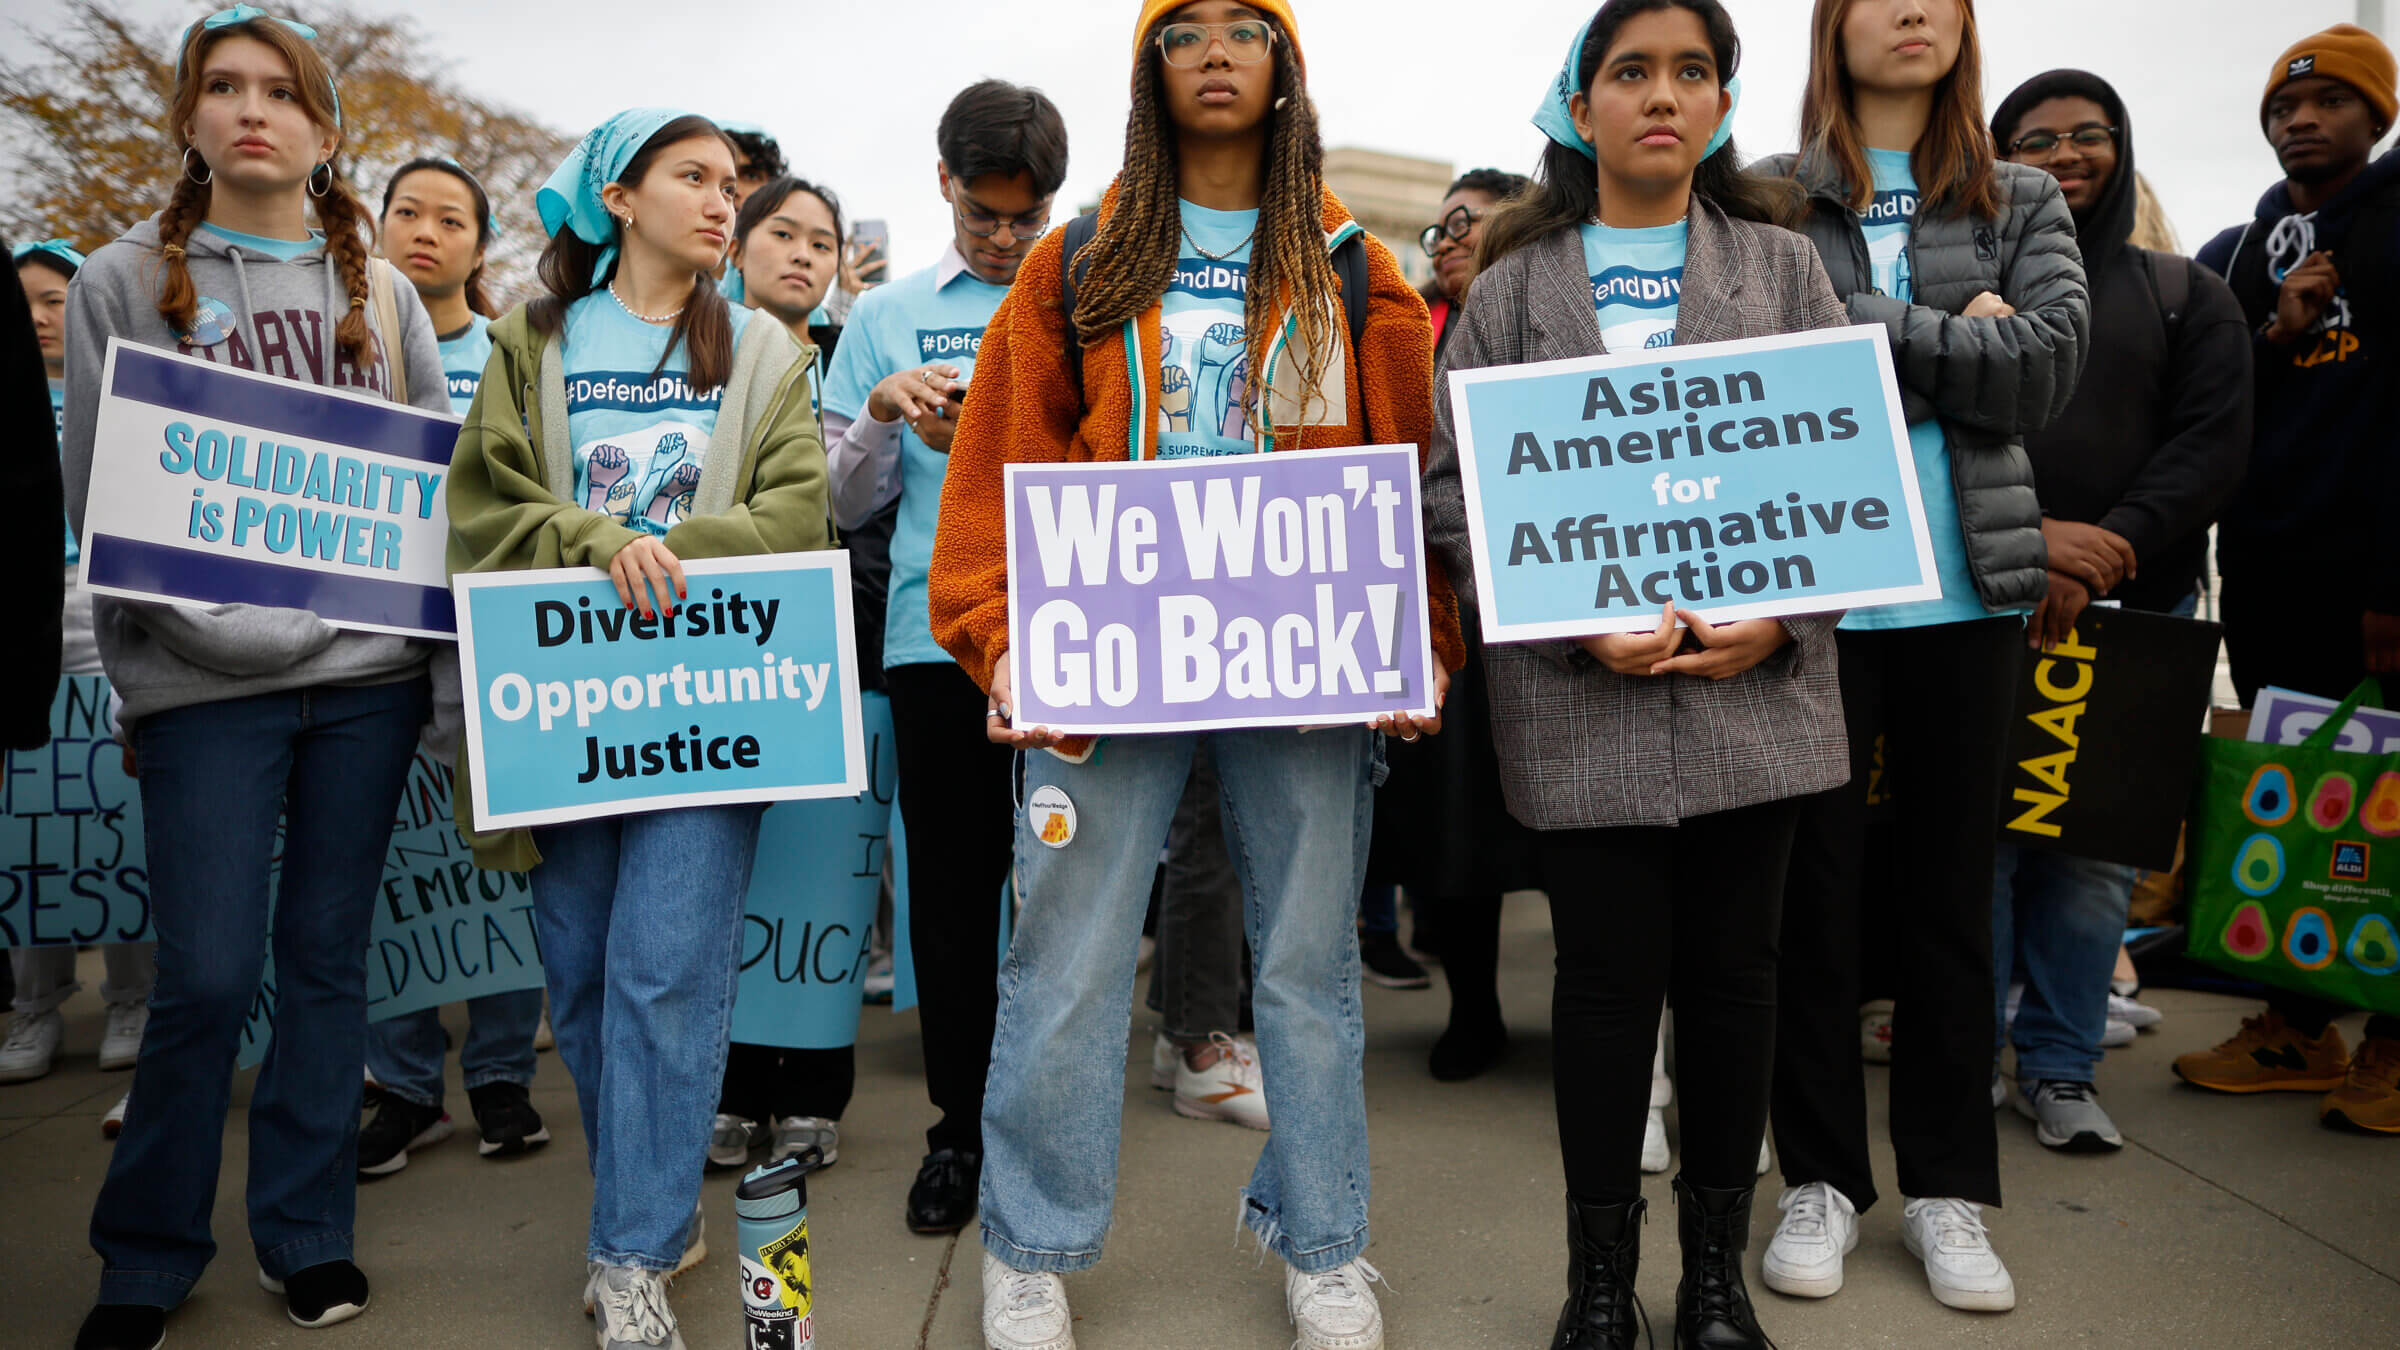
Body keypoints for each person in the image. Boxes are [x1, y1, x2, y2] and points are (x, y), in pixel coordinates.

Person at [926, 2, 1462, 1345]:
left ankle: (1325, 1238)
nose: (1215, 51)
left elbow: (1416, 474)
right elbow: (1001, 465)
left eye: (1245, 27)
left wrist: (1424, 643)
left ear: (1285, 67)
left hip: (1307, 660)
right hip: (1105, 657)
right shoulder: (1081, 259)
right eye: (1184, 32)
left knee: (1303, 962)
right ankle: (1033, 1243)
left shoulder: (1354, 266)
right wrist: (1004, 641)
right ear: (1147, 72)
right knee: (1067, 953)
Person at [1429, 4, 1845, 1346]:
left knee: (1737, 982)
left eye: (1691, 72)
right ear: (1581, 103)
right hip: (1578, 702)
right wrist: (1563, 619)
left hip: (1754, 704)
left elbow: (1847, 473)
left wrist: (1784, 619)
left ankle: (1714, 1280)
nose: (1660, 95)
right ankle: (1598, 1281)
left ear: (1723, 103)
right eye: (1629, 72)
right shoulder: (1505, 293)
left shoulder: (1785, 271)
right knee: (1605, 988)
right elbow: (1453, 497)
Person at [60, 11, 453, 1346]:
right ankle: (147, 1250)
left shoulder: (383, 293)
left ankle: (306, 1234)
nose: (249, 110)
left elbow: (430, 490)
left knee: (327, 963)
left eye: (279, 92)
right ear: (187, 117)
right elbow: (102, 501)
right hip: (198, 685)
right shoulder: (119, 281)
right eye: (221, 87)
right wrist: (211, 642)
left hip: (368, 682)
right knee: (211, 975)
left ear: (325, 129)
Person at [443, 108, 832, 1350]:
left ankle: (627, 1260)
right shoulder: (531, 340)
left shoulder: (770, 354)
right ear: (617, 196)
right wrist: (602, 541)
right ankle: (658, 1214)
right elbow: (485, 507)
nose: (725, 202)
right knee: (588, 981)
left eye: (733, 183)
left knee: (667, 972)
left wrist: (667, 550)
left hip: (709, 716)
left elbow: (797, 518)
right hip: (565, 717)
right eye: (693, 178)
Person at [1758, 0, 2088, 1316]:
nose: (1913, 9)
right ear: (1832, 26)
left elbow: (2045, 374)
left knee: (1956, 899)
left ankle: (1952, 1185)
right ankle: (1819, 1178)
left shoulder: (2018, 192)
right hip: (1817, 599)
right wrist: (1964, 335)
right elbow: (1761, 366)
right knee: (1807, 902)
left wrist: (1861, 323)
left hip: (1970, 594)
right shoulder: (1768, 195)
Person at [1985, 69, 2252, 1153]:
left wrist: (2107, 551)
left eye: (2089, 136)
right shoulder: (1966, 296)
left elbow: (2214, 446)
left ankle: (2055, 1066)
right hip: (1985, 599)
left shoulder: (2186, 292)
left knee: (2092, 858)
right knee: (1978, 851)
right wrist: (2031, 536)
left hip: (2136, 613)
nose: (2066, 156)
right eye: (2035, 140)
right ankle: (1961, 1060)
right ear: (1995, 159)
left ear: (2122, 147)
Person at [820, 77, 1068, 1237]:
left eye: (1030, 215)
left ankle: (1056, 1121)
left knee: (1077, 892)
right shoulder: (887, 313)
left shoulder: (1091, 300)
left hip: (1082, 632)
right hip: (939, 641)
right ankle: (959, 1128)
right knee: (956, 903)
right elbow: (841, 496)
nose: (1010, 237)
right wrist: (880, 412)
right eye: (986, 214)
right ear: (943, 186)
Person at [2183, 22, 2400, 1134]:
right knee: (2299, 800)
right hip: (2272, 568)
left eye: (2326, 104)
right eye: (2281, 108)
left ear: (2379, 115)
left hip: (2376, 581)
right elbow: (2231, 405)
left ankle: (2396, 1048)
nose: (2298, 121)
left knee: (2395, 809)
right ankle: (2298, 1028)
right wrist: (2280, 328)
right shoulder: (2256, 239)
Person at [355, 156, 550, 1175]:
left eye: (452, 219)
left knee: (501, 853)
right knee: (402, 863)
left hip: (491, 644)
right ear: (377, 226)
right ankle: (403, 1085)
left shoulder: (518, 352)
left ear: (481, 247)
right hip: (375, 649)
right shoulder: (341, 350)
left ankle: (502, 1075)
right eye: (406, 212)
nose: (425, 231)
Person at [1382, 164, 1540, 1081]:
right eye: (1435, 229)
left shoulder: (1559, 323)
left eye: (1464, 224)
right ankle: (1474, 1012)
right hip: (1455, 616)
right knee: (1460, 827)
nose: (1442, 241)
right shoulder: (1413, 342)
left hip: (1555, 621)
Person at [710, 174, 855, 1173]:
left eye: (822, 243)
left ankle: (810, 1094)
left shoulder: (848, 363)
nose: (803, 254)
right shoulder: (695, 354)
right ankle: (725, 1089)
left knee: (818, 875)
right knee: (723, 870)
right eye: (782, 234)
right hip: (713, 650)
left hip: (831, 645)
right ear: (736, 248)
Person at [3, 239, 153, 1115]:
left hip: (99, 604)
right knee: (27, 817)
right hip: (17, 617)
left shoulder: (117, 389)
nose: (41, 316)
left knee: (110, 808)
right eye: (23, 300)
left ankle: (131, 999)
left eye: (56, 298)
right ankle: (35, 1008)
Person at [1417, 167, 1527, 360]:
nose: (1442, 244)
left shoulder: (1554, 308)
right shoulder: (1412, 328)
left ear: (1513, 221)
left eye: (1459, 224)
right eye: (1437, 236)